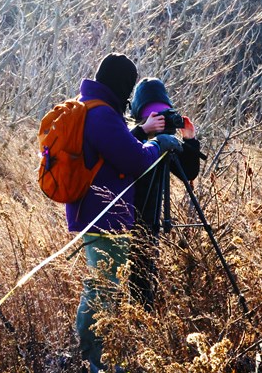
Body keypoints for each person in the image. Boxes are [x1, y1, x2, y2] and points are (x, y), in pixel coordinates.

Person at [67, 54, 181, 373]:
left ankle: (104, 356)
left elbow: (118, 150)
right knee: (103, 287)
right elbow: (134, 161)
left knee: (104, 286)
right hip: (104, 215)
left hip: (99, 213)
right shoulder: (102, 114)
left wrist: (146, 135)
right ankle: (96, 359)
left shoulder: (91, 106)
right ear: (122, 86)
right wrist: (161, 145)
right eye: (128, 88)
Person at [128, 77, 202, 311]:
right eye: (153, 115)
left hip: (152, 219)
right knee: (133, 272)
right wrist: (143, 132)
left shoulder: (165, 142)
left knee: (146, 268)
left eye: (163, 114)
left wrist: (189, 139)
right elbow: (121, 153)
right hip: (126, 218)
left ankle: (145, 315)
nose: (160, 119)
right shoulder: (131, 135)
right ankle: (135, 317)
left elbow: (189, 171)